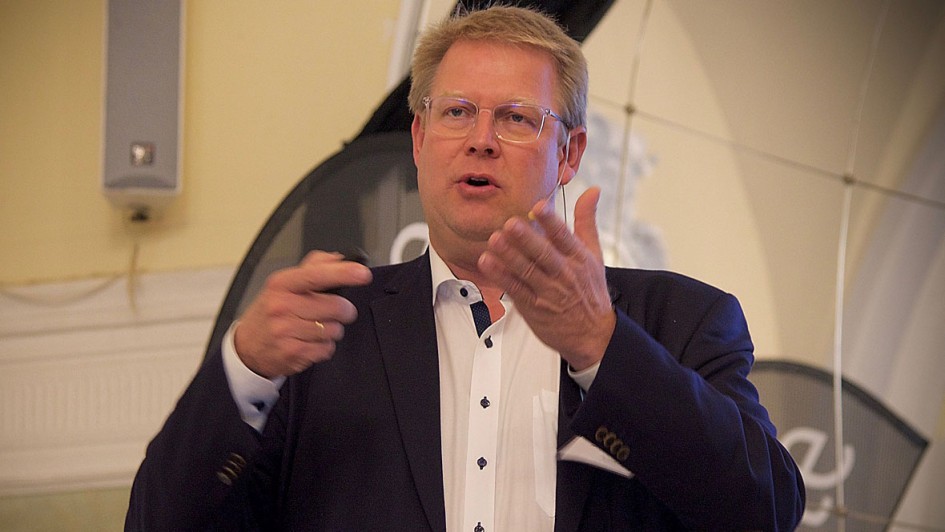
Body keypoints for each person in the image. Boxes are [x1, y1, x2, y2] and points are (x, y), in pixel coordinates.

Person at [126, 6, 804, 531]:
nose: (480, 139)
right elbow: (159, 522)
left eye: (515, 118)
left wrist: (602, 347)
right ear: (419, 139)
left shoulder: (680, 321)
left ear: (569, 154)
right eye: (455, 112)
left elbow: (765, 510)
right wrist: (243, 369)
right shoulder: (328, 334)